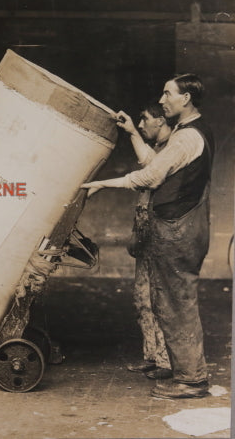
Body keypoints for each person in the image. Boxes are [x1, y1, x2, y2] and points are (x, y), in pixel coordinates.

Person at [81, 73, 214, 399]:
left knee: (175, 303)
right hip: (183, 226)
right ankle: (185, 372)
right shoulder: (191, 132)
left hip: (177, 230)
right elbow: (157, 162)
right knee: (171, 300)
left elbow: (151, 177)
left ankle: (192, 380)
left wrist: (102, 184)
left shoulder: (185, 137)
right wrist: (132, 133)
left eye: (168, 94)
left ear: (185, 99)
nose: (163, 99)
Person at [121, 102, 171, 381]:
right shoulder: (161, 150)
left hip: (161, 237)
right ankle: (151, 355)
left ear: (160, 121)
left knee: (160, 299)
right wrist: (135, 232)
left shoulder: (173, 149)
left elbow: (150, 167)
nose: (142, 124)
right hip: (145, 236)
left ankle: (166, 361)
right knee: (142, 298)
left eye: (145, 119)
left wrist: (131, 133)